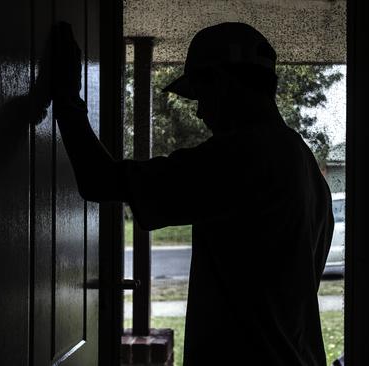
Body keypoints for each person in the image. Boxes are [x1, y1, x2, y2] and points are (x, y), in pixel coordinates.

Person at [51, 21, 334, 366]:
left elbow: (99, 180)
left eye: (201, 95)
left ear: (224, 83)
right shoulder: (301, 160)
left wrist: (65, 94)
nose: (200, 112)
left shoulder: (244, 156)